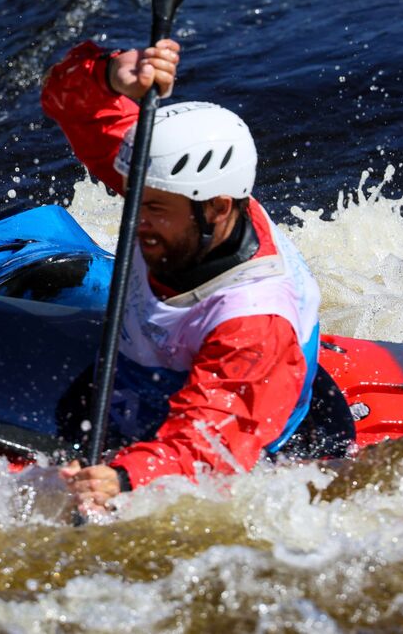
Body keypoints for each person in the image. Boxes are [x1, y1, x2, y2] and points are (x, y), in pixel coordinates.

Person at [40, 40, 321, 514]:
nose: (135, 217)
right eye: (135, 197)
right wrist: (109, 75)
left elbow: (209, 447)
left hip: (243, 438)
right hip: (146, 379)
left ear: (216, 209)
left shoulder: (252, 321)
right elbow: (70, 104)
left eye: (152, 209)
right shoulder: (169, 190)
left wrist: (121, 480)